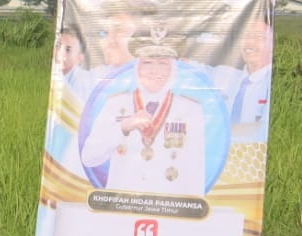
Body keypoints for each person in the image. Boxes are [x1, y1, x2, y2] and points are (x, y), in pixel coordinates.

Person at [80, 34, 207, 195]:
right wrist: (123, 127)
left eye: (163, 63)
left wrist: (193, 216)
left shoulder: (190, 109)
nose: (155, 70)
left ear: (173, 69)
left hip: (169, 205)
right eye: (147, 63)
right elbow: (89, 157)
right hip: (123, 204)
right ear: (137, 68)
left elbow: (195, 171)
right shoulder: (116, 104)